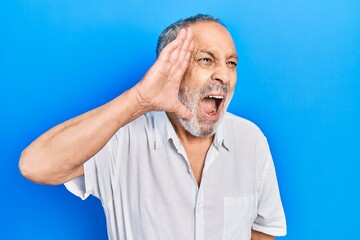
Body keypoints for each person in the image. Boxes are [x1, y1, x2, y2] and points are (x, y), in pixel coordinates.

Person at [19, 14, 286, 240]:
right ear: (170, 68)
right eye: (206, 60)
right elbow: (35, 165)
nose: (223, 74)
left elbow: (262, 229)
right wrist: (139, 100)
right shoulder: (122, 139)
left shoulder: (251, 140)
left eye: (231, 63)